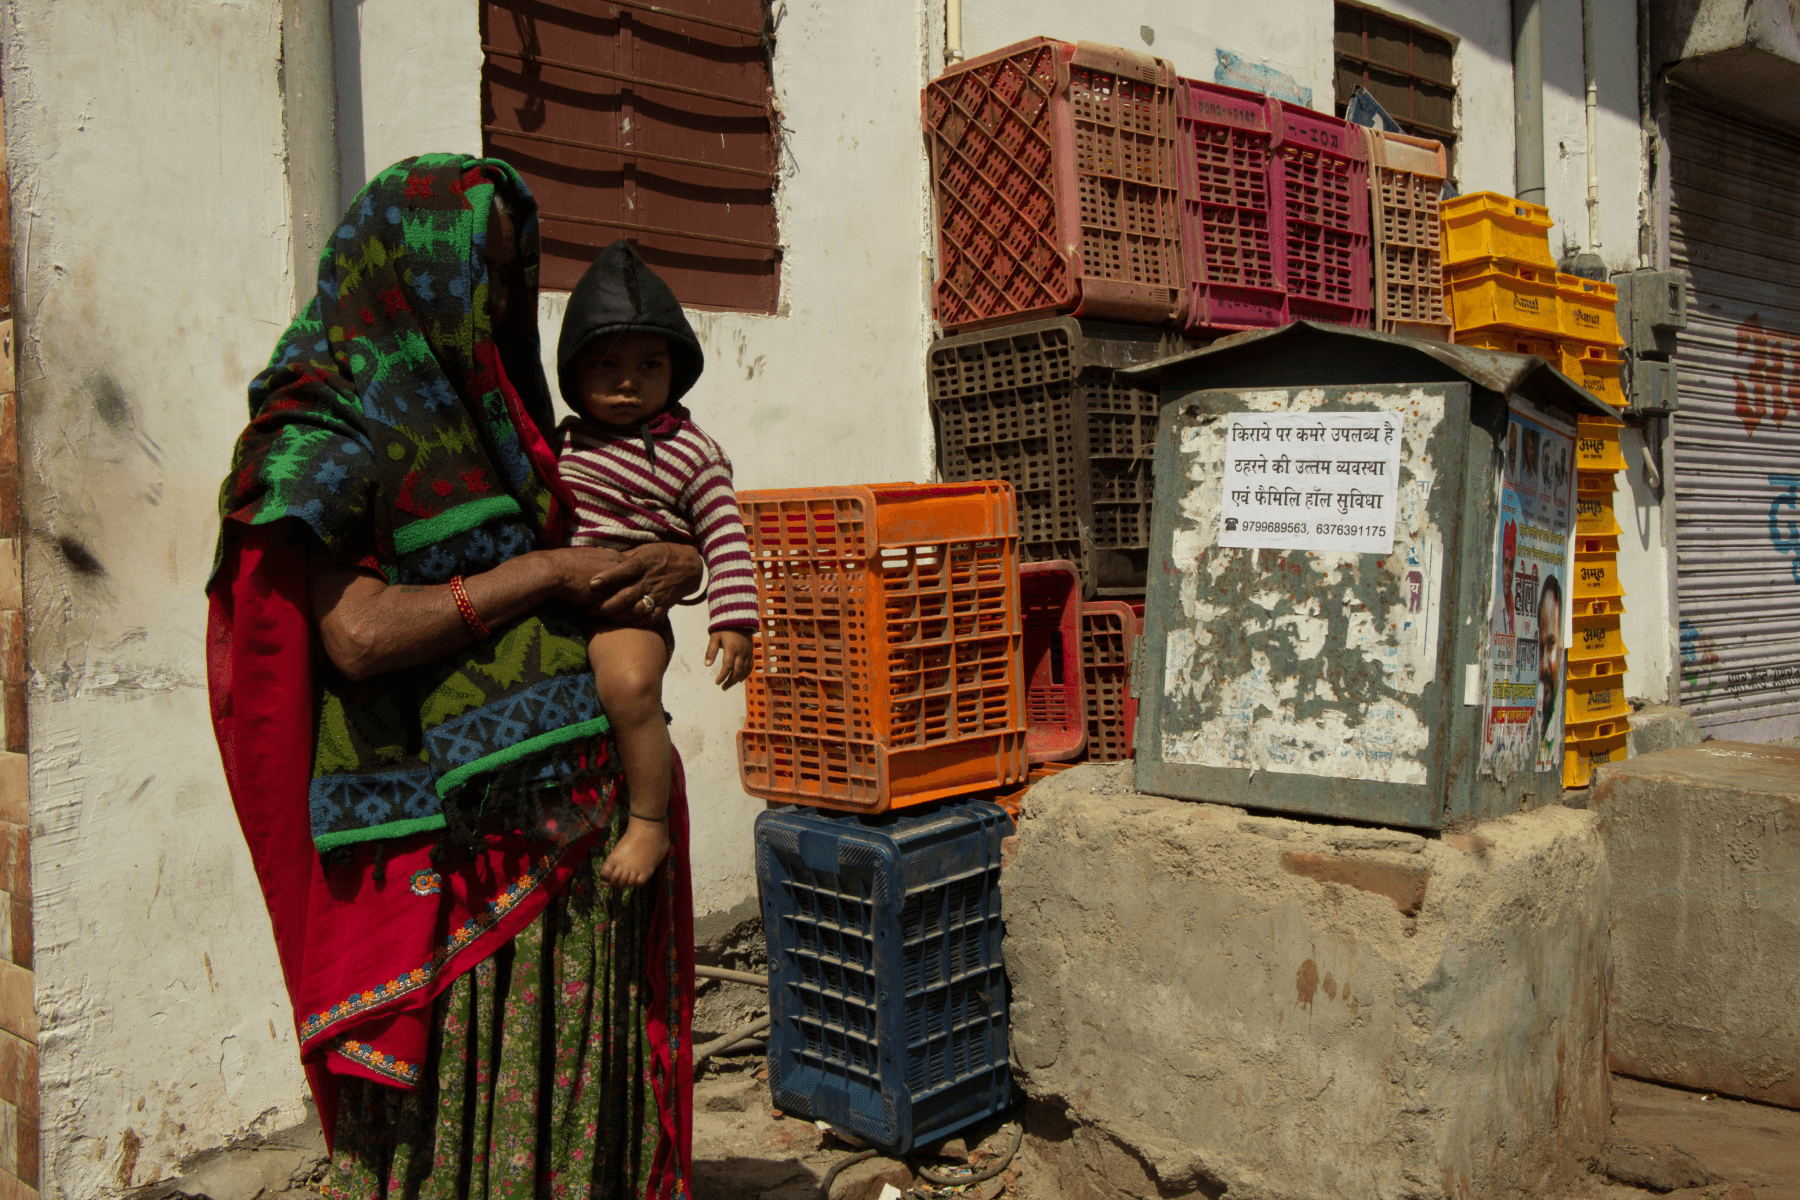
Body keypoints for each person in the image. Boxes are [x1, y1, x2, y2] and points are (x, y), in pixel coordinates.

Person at [207, 154, 700, 1199]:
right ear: (414, 276)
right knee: (453, 1122)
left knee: (579, 1100)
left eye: (513, 278)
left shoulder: (498, 414)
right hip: (454, 860)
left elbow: (639, 523)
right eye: (484, 276)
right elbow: (358, 637)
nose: (503, 306)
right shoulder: (320, 425)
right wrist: (545, 572)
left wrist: (684, 561)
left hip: (581, 839)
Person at [552, 242, 758, 889]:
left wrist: (734, 619)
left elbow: (724, 533)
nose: (626, 380)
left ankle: (649, 823)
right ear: (573, 371)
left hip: (627, 607)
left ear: (677, 371)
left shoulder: (692, 452)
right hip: (555, 598)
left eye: (648, 364)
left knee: (631, 687)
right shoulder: (560, 441)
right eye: (606, 363)